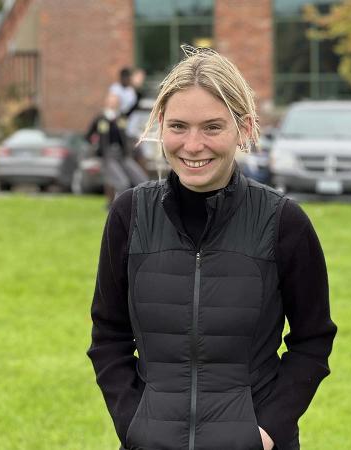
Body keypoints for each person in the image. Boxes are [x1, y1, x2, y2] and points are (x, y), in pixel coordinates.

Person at [88, 47, 336, 450]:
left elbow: (313, 340)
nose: (192, 144)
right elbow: (108, 335)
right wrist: (134, 423)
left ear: (244, 128)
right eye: (179, 126)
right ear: (160, 127)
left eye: (212, 127)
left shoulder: (283, 221)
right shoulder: (129, 214)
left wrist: (267, 430)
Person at [86, 92, 148, 205]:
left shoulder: (121, 117)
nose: (113, 103)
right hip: (108, 156)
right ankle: (118, 210)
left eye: (116, 101)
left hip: (123, 154)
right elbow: (88, 136)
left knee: (142, 179)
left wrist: (136, 89)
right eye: (111, 100)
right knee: (122, 183)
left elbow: (134, 107)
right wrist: (97, 146)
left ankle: (143, 207)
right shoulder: (100, 118)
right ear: (107, 102)